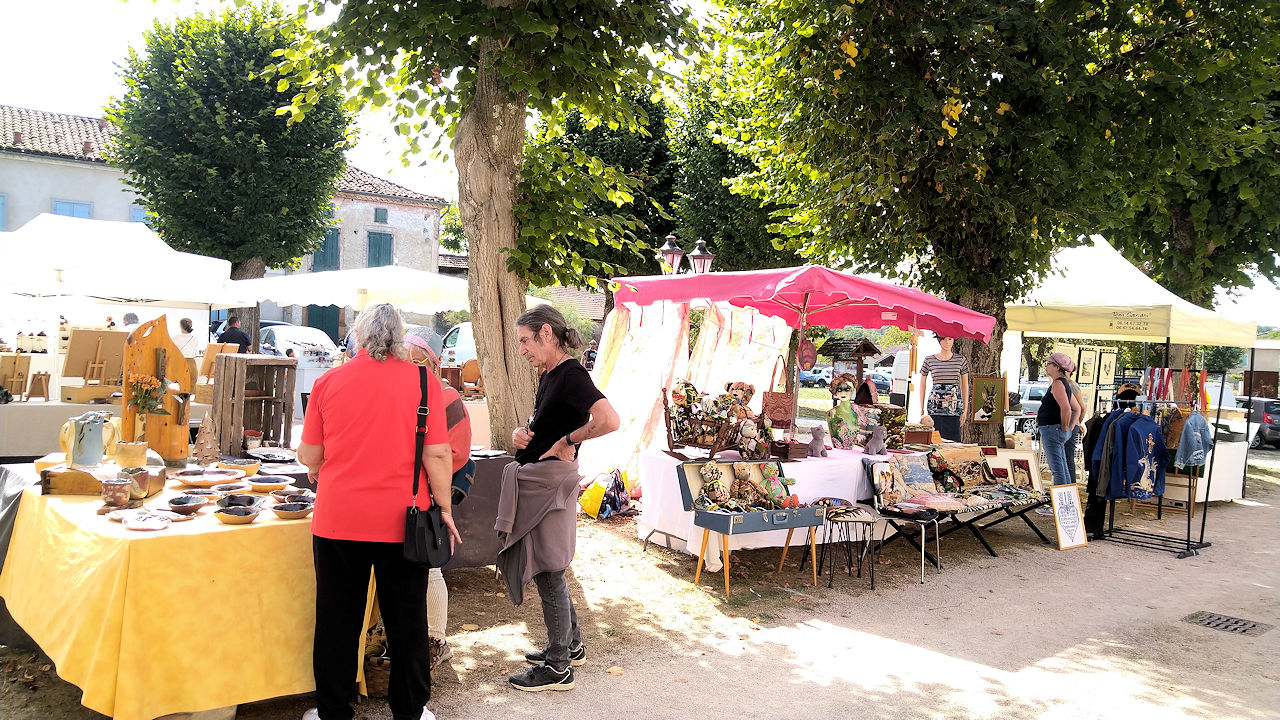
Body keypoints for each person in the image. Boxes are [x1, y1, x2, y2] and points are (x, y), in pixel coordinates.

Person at [297, 303, 458, 720]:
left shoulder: (328, 381)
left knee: (337, 620)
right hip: (404, 521)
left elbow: (309, 455)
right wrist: (444, 507)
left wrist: (323, 462)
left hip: (338, 519)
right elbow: (438, 454)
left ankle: (333, 710)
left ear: (358, 336)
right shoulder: (424, 381)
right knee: (408, 621)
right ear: (400, 337)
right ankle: (410, 710)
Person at [503, 305, 619, 692]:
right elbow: (546, 422)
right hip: (542, 482)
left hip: (550, 486)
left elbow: (609, 419)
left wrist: (569, 440)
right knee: (550, 567)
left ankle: (558, 667)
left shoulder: (571, 374)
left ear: (547, 334)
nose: (522, 349)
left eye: (526, 341)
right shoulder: (550, 375)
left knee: (549, 569)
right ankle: (571, 645)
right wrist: (522, 434)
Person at [403, 326, 476, 671]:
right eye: (405, 358)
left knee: (429, 566)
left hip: (429, 494)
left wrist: (433, 486)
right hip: (406, 492)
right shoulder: (403, 393)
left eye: (419, 360)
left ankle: (436, 640)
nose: (411, 366)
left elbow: (456, 453)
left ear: (434, 362)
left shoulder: (447, 398)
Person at [918, 335, 970, 442]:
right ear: (939, 340)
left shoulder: (960, 360)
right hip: (935, 407)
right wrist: (921, 407)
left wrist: (965, 409)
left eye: (950, 339)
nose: (947, 342)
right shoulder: (929, 360)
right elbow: (922, 384)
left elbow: (965, 385)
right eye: (944, 339)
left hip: (954, 407)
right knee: (934, 441)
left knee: (954, 442)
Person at [1038, 351, 1077, 486]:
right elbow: (1076, 408)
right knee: (1062, 467)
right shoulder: (1064, 383)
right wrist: (1068, 429)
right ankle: (1067, 497)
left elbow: (1067, 408)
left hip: (1052, 429)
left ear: (1057, 367)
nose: (1046, 366)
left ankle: (1060, 499)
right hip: (1055, 429)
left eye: (1049, 363)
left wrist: (1065, 428)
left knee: (1057, 470)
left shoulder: (1058, 384)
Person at [173, 318, 201, 384]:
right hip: (192, 364)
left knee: (179, 385)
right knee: (192, 384)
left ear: (181, 326)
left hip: (180, 363)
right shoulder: (194, 339)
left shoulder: (175, 338)